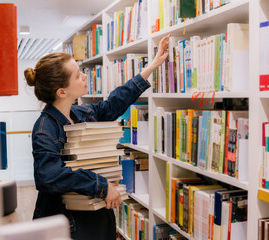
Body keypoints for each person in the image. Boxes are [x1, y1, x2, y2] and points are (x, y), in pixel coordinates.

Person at [24, 34, 170, 240]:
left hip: (97, 217)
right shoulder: (44, 128)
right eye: (77, 75)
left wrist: (152, 66)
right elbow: (49, 175)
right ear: (61, 92)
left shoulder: (81, 114)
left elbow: (113, 103)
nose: (84, 76)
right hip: (69, 225)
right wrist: (101, 186)